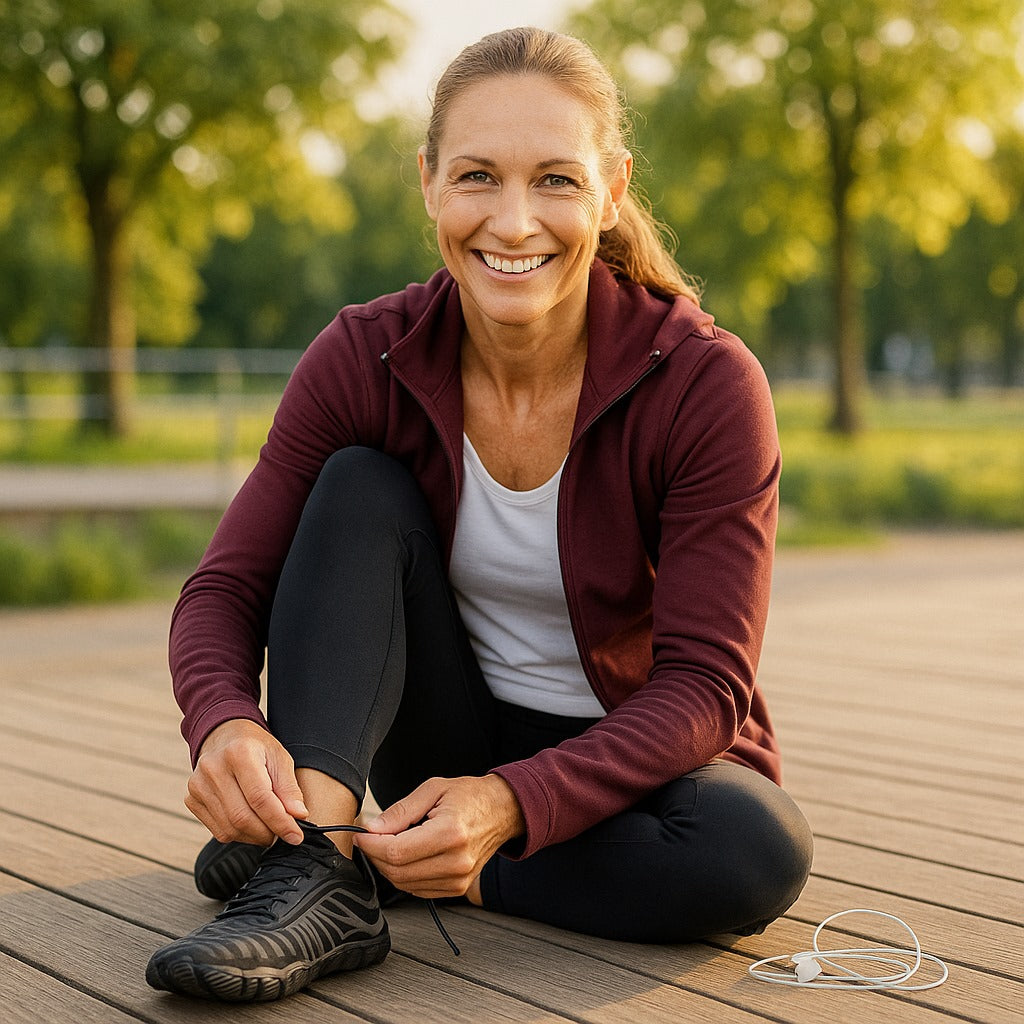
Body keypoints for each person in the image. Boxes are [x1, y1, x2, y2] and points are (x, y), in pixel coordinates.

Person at [146, 26, 813, 1004]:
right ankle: (318, 872)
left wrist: (510, 802)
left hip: (627, 766)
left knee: (751, 852)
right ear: (427, 183)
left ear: (611, 189)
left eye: (554, 179)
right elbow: (225, 585)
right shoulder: (363, 355)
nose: (512, 223)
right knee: (357, 486)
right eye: (476, 177)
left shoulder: (706, 383)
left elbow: (707, 688)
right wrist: (220, 723)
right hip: (440, 736)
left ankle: (348, 860)